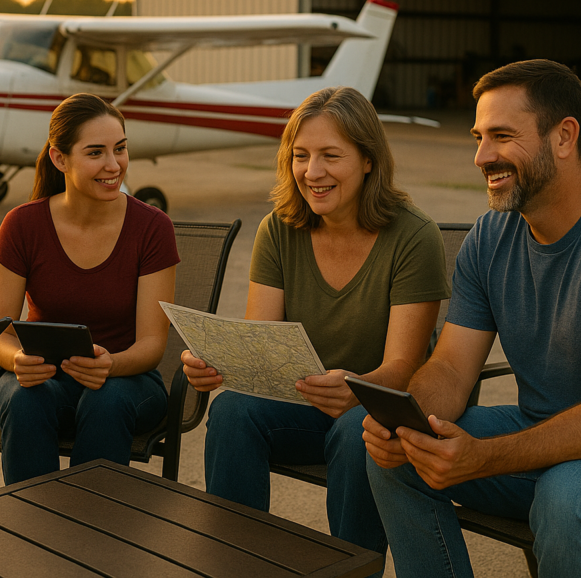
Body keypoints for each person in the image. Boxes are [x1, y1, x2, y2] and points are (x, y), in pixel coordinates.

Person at [364, 59, 581, 577]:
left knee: (568, 500)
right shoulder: (491, 237)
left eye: (502, 136)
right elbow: (451, 368)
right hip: (545, 431)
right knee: (401, 459)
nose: (481, 156)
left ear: (564, 137)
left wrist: (483, 458)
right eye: (479, 137)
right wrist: (411, 420)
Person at [182, 86, 450, 566]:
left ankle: (351, 572)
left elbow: (405, 367)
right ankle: (235, 567)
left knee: (354, 428)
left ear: (368, 160)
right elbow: (260, 344)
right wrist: (219, 363)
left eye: (330, 155)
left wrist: (355, 386)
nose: (312, 172)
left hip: (372, 411)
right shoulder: (280, 228)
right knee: (232, 412)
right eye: (300, 156)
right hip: (302, 404)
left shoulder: (414, 235)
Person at [0, 93, 178, 485]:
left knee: (107, 399)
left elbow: (152, 346)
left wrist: (111, 365)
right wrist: (17, 358)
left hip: (128, 381)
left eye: (120, 149)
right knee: (24, 399)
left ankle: (91, 530)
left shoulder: (152, 228)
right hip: (41, 379)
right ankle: (31, 525)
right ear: (60, 159)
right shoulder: (22, 225)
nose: (113, 165)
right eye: (96, 153)